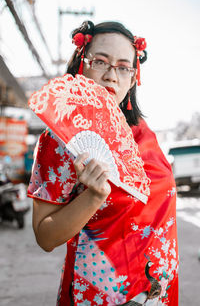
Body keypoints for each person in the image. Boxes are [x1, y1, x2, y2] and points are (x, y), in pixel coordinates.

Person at [27, 21, 179, 306]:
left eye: (123, 67)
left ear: (133, 79)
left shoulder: (144, 134)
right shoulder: (58, 142)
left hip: (159, 292)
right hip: (100, 295)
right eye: (101, 62)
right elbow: (45, 237)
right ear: (81, 65)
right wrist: (93, 197)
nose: (112, 76)